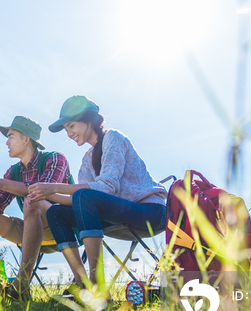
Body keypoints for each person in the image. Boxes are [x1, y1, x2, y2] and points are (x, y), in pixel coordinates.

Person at [28, 96, 167, 293]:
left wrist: (54, 187)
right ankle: (82, 283)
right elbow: (79, 200)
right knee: (55, 213)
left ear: (88, 120)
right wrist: (46, 195)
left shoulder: (113, 138)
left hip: (150, 213)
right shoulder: (87, 159)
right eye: (66, 129)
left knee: (84, 196)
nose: (69, 133)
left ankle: (97, 283)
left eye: (71, 126)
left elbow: (106, 187)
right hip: (118, 215)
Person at [0, 116, 72, 300]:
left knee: (33, 201)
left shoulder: (55, 159)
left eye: (11, 136)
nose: (7, 142)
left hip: (61, 227)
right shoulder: (13, 172)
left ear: (26, 138)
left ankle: (22, 284)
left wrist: (1, 183)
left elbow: (46, 192)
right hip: (31, 229)